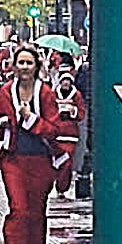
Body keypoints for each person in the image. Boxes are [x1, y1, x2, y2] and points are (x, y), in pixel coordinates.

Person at [0, 44, 64, 244]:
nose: (24, 67)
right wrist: (4, 122)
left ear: (36, 66)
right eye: (20, 62)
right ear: (14, 66)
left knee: (36, 213)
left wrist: (29, 118)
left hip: (40, 159)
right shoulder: (6, 91)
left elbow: (54, 129)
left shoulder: (46, 93)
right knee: (19, 210)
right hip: (14, 159)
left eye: (28, 63)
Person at [53, 65, 84, 198]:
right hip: (56, 134)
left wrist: (73, 111)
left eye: (68, 81)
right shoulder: (53, 94)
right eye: (63, 81)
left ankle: (62, 188)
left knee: (67, 163)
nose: (65, 83)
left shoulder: (76, 95)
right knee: (56, 162)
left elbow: (81, 113)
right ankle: (56, 185)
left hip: (70, 135)